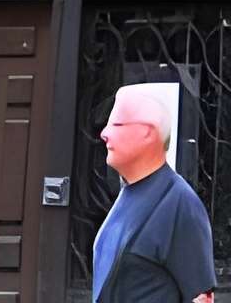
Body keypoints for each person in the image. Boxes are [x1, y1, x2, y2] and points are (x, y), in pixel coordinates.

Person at [92, 82, 215, 303]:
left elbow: (201, 297)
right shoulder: (129, 193)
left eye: (117, 124)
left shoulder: (179, 203)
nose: (104, 133)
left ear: (147, 133)